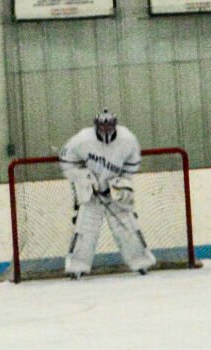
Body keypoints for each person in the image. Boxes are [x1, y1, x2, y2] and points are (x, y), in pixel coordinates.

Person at [57, 108, 155, 280]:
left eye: (109, 126)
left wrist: (120, 183)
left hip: (114, 194)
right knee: (85, 230)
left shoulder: (128, 139)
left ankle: (141, 263)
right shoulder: (82, 139)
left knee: (128, 227)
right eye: (102, 126)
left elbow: (133, 163)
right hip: (91, 195)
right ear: (96, 126)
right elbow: (66, 161)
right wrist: (84, 178)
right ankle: (76, 267)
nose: (106, 129)